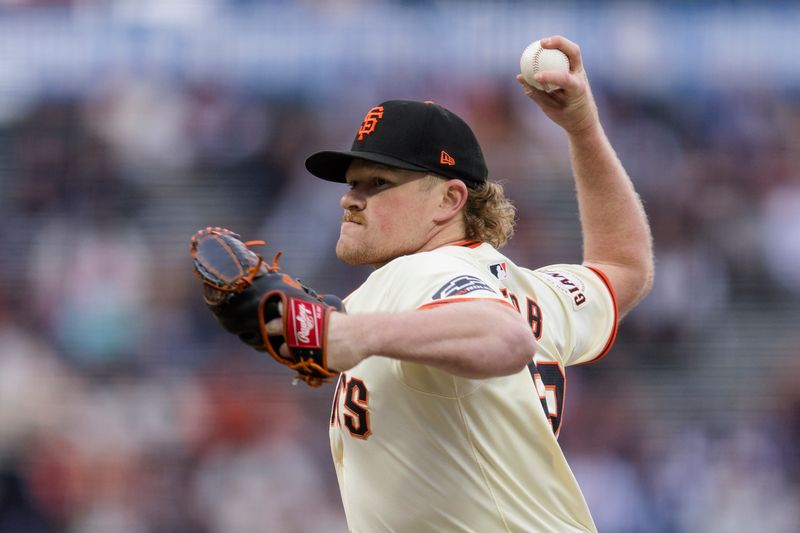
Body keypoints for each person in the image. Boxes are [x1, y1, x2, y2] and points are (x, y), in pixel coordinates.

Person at [300, 35, 653, 532]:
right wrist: (582, 128)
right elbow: (624, 266)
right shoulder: (530, 290)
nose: (350, 199)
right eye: (351, 183)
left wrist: (355, 334)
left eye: (377, 184)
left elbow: (504, 337)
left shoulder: (423, 272)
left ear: (449, 201)